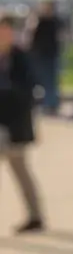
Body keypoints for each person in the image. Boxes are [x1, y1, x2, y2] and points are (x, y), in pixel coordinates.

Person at [0, 14, 46, 233]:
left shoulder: (20, 58)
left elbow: (27, 91)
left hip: (14, 124)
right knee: (21, 170)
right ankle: (35, 215)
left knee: (20, 169)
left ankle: (35, 216)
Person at [26, 0, 63, 115]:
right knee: (45, 79)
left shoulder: (50, 22)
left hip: (47, 53)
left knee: (49, 79)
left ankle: (50, 103)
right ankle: (49, 102)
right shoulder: (48, 21)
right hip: (43, 53)